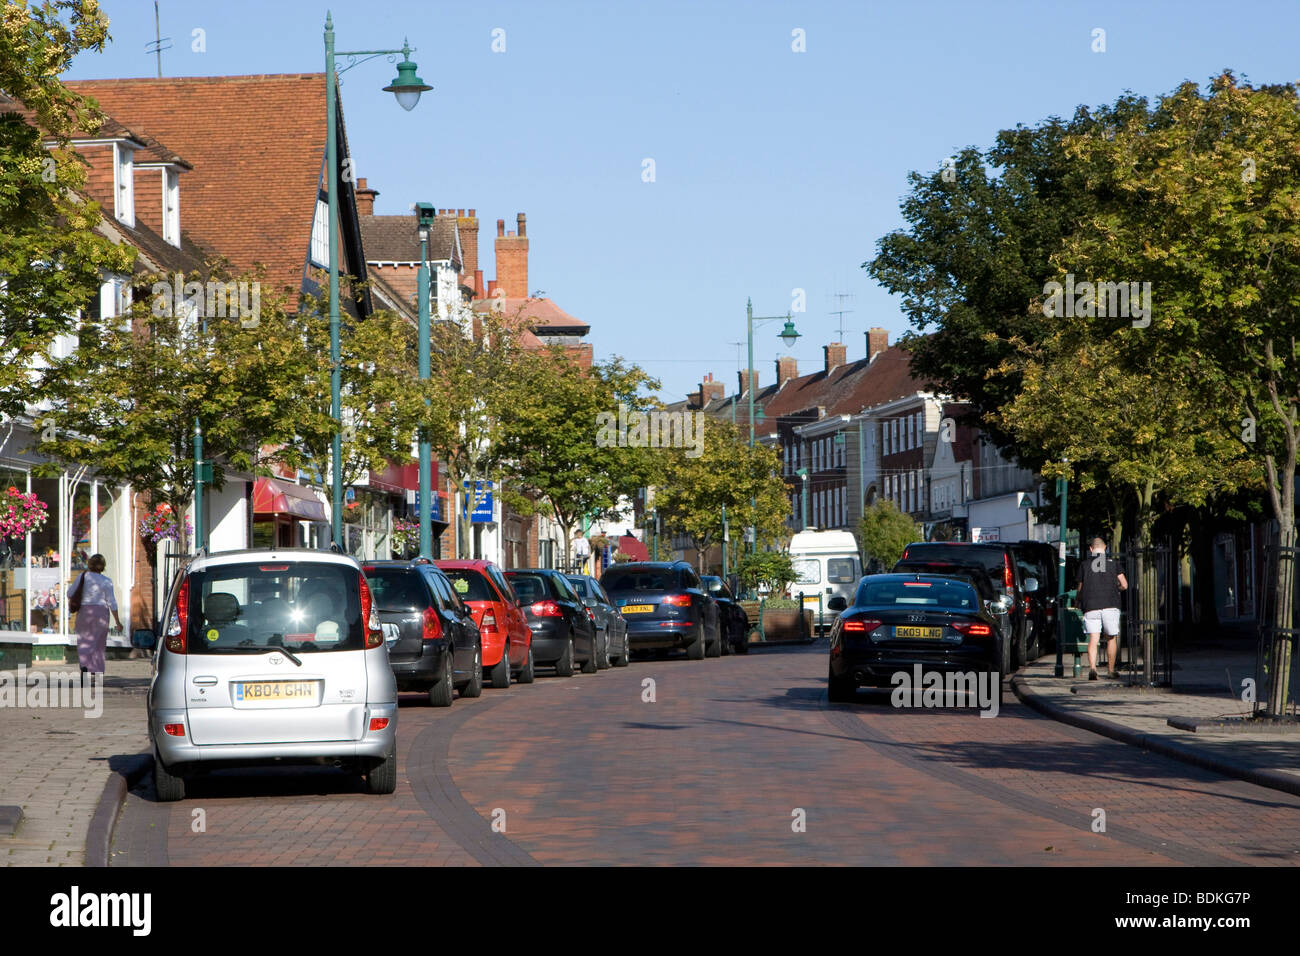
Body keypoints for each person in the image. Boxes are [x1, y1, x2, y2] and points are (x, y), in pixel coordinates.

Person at [1076, 537, 1128, 681]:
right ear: (1105, 548)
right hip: (1111, 604)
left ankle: (1093, 669)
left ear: (1091, 549)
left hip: (1091, 605)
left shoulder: (1084, 565)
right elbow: (1124, 584)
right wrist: (1115, 589)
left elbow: (1080, 588)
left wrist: (1077, 601)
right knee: (1111, 638)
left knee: (1093, 638)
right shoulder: (1114, 564)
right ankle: (1111, 670)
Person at [70, 554, 122, 679]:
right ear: (103, 566)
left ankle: (84, 665)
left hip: (84, 612)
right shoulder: (106, 581)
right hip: (101, 613)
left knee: (83, 640)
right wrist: (118, 622)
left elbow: (69, 592)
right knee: (99, 643)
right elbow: (112, 603)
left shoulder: (82, 577)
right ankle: (97, 672)